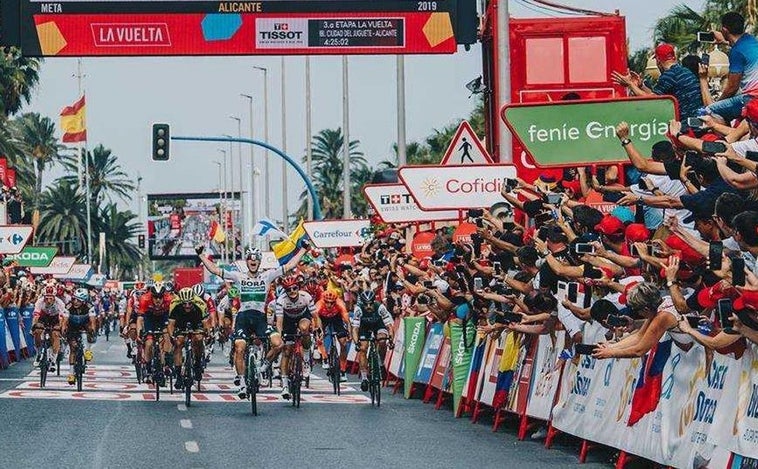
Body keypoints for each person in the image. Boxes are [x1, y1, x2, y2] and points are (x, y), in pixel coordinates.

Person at [197, 244, 306, 399]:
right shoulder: (238, 276)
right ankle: (242, 383)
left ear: (259, 261)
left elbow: (289, 265)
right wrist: (201, 256)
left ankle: (264, 367)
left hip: (260, 319)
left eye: (255, 259)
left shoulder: (267, 275)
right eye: (250, 258)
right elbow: (215, 270)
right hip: (243, 318)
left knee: (279, 344)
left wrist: (303, 250)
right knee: (239, 347)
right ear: (246, 261)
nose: (253, 261)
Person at [612, 43, 703, 119]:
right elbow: (658, 95)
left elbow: (652, 100)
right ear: (674, 57)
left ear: (658, 60)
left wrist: (630, 84)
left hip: (686, 124)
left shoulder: (669, 75)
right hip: (697, 119)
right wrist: (641, 86)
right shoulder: (685, 71)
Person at [707, 11, 758, 122]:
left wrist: (718, 102)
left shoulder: (736, 52)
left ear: (725, 30)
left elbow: (732, 88)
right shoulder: (751, 40)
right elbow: (742, 47)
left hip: (751, 98)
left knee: (710, 110)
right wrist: (725, 40)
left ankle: (728, 137)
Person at [275, 276, 316, 399]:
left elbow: (315, 315)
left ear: (298, 288)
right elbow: (279, 322)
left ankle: (307, 356)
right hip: (288, 321)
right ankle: (285, 385)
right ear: (285, 291)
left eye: (294, 288)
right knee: (286, 351)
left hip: (302, 316)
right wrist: (280, 334)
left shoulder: (306, 296)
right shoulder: (281, 300)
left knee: (304, 329)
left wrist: (318, 328)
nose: (292, 291)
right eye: (288, 289)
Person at [351, 290, 395, 392]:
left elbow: (389, 326)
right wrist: (356, 342)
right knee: (363, 349)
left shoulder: (380, 307)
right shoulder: (358, 309)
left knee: (382, 340)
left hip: (378, 324)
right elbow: (355, 329)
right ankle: (364, 378)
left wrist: (391, 340)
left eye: (371, 304)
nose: (369, 307)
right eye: (366, 305)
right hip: (364, 327)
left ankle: (380, 363)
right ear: (362, 303)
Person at [167, 287, 209, 390]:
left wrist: (208, 333)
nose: (187, 306)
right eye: (184, 304)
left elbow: (205, 323)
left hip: (196, 321)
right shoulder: (174, 304)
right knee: (178, 343)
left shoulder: (200, 304)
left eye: (189, 303)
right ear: (180, 301)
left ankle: (197, 364)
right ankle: (178, 376)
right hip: (180, 322)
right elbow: (171, 324)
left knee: (198, 339)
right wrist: (172, 336)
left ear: (193, 300)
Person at [136, 281, 173, 385]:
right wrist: (139, 334)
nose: (158, 300)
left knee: (167, 337)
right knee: (149, 343)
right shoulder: (144, 299)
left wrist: (172, 334)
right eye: (155, 297)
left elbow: (173, 319)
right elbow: (140, 319)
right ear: (151, 296)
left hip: (163, 317)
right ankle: (148, 369)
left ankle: (166, 363)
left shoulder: (169, 299)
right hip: (150, 318)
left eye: (160, 297)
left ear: (164, 296)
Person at [313, 289, 350, 383]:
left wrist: (349, 332)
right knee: (319, 334)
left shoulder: (340, 304)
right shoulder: (319, 304)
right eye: (327, 302)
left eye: (331, 303)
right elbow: (316, 319)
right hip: (322, 318)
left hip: (336, 317)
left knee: (343, 343)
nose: (329, 305)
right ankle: (325, 358)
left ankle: (342, 369)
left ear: (335, 301)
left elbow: (347, 320)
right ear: (323, 300)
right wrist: (319, 330)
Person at [61, 288, 96, 385]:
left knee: (90, 329)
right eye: (74, 299)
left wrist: (92, 330)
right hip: (72, 325)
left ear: (84, 301)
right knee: (73, 348)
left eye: (79, 300)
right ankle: (71, 373)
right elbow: (65, 321)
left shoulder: (89, 306)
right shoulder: (68, 306)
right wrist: (64, 329)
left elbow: (92, 321)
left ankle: (87, 350)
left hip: (84, 324)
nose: (75, 302)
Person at [31, 285, 67, 371]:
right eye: (46, 298)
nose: (48, 300)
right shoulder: (39, 302)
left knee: (55, 334)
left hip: (55, 319)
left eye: (51, 298)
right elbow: (36, 317)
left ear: (55, 297)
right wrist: (33, 327)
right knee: (37, 331)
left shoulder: (60, 303)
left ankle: (53, 360)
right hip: (43, 318)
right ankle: (38, 353)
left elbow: (62, 318)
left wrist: (61, 329)